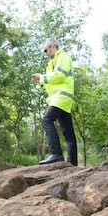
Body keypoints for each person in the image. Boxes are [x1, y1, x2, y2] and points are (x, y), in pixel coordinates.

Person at [32, 38, 77, 166]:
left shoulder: (62, 57)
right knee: (68, 133)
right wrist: (41, 82)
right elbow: (52, 83)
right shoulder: (51, 64)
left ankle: (56, 154)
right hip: (61, 99)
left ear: (52, 47)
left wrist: (42, 78)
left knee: (47, 119)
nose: (44, 53)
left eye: (45, 50)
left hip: (61, 98)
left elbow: (59, 76)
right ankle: (72, 163)